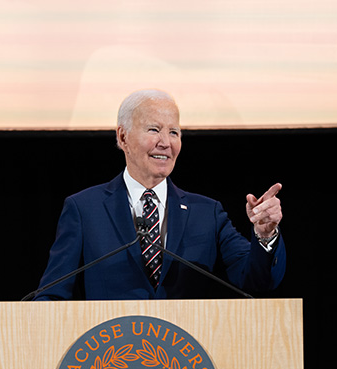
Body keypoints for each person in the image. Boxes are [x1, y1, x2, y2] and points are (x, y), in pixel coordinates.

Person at [33, 89, 286, 300]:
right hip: (112, 345)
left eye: (173, 132)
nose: (165, 142)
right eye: (154, 130)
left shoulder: (206, 213)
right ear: (123, 137)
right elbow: (52, 295)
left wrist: (265, 235)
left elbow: (256, 280)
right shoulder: (84, 209)